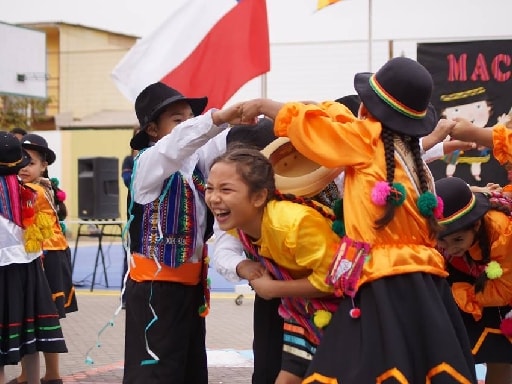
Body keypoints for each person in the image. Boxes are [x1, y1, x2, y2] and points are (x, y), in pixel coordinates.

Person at [238, 57, 477, 383]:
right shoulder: (403, 152)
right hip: (424, 282)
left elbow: (317, 130)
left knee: (367, 368)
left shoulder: (366, 140)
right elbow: (340, 122)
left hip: (384, 281)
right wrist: (323, 108)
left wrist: (266, 104)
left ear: (372, 108)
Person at [123, 82, 243, 384]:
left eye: (191, 117)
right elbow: (176, 145)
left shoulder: (198, 165)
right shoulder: (149, 163)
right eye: (178, 119)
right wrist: (216, 117)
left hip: (191, 287)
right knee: (155, 374)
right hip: (155, 290)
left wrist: (243, 116)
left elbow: (222, 139)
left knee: (190, 370)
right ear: (152, 129)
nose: (188, 124)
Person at [206, 146, 343, 384]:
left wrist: (273, 290)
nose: (214, 198)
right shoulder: (240, 221)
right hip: (304, 311)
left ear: (259, 197)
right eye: (209, 189)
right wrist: (244, 266)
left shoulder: (293, 225)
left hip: (345, 310)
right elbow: (223, 252)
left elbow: (335, 280)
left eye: (226, 189)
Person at [211, 118, 283, 384]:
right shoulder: (232, 208)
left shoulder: (302, 200)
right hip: (271, 304)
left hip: (313, 304)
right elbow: (223, 247)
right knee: (268, 369)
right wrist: (243, 266)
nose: (216, 198)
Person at [0, 132, 67, 384]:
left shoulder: (32, 193)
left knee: (23, 330)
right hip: (31, 266)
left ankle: (48, 376)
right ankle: (38, 378)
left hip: (29, 264)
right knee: (33, 332)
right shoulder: (26, 193)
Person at [435, 176, 512, 384]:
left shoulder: (503, 233)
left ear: (476, 224)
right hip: (466, 284)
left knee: (502, 354)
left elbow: (505, 291)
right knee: (451, 353)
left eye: (458, 239)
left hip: (499, 290)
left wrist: (461, 295)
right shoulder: (431, 234)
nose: (450, 248)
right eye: (442, 240)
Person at [120, 125, 140, 309]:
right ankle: (126, 296)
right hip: (134, 215)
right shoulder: (129, 160)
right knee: (129, 256)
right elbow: (128, 181)